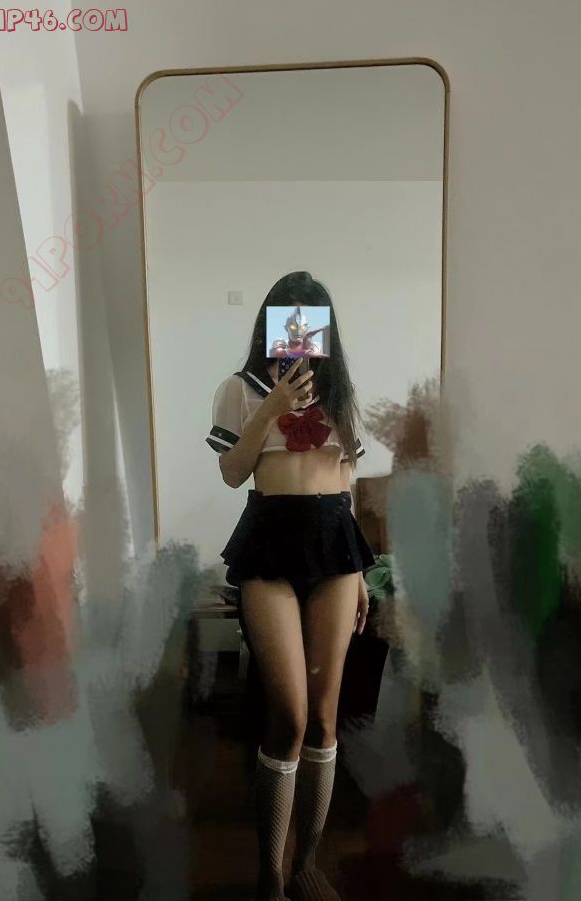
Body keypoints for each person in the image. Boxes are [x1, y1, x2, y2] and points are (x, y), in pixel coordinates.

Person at [205, 271, 374, 901]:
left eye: (312, 322)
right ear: (271, 324)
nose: (301, 335)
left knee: (326, 717)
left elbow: (346, 481)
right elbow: (232, 472)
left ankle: (306, 863)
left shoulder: (341, 393)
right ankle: (269, 874)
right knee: (290, 716)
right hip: (270, 540)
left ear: (325, 330)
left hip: (335, 545)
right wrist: (272, 408)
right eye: (289, 319)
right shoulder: (239, 389)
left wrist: (360, 574)